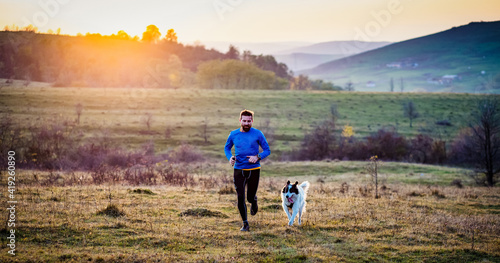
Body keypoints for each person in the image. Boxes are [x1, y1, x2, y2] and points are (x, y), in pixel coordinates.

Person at [224, 109, 271, 231]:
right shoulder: (233, 134)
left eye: (249, 121)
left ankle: (254, 201)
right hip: (238, 169)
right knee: (240, 197)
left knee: (250, 197)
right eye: (244, 121)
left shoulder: (258, 134)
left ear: (252, 121)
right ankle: (245, 223)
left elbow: (267, 150)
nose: (246, 123)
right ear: (240, 120)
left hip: (254, 169)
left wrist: (258, 157)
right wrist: (230, 158)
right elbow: (227, 148)